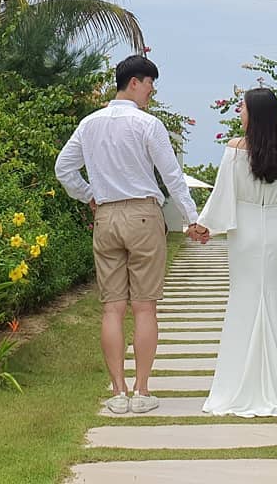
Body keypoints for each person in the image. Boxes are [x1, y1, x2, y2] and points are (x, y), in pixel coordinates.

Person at [54, 54, 209, 416]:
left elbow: (64, 168)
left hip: (106, 216)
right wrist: (192, 219)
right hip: (142, 215)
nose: (152, 91)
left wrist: (88, 194)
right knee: (144, 306)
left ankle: (118, 393)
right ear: (135, 82)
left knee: (112, 307)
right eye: (150, 84)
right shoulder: (148, 124)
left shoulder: (89, 124)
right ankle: (141, 390)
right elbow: (172, 176)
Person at [195, 87, 277, 417]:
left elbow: (223, 195)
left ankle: (238, 382)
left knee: (244, 299)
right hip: (275, 230)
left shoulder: (235, 150)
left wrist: (204, 226)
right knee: (276, 299)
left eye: (243, 107)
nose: (240, 112)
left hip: (245, 234)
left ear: (255, 114)